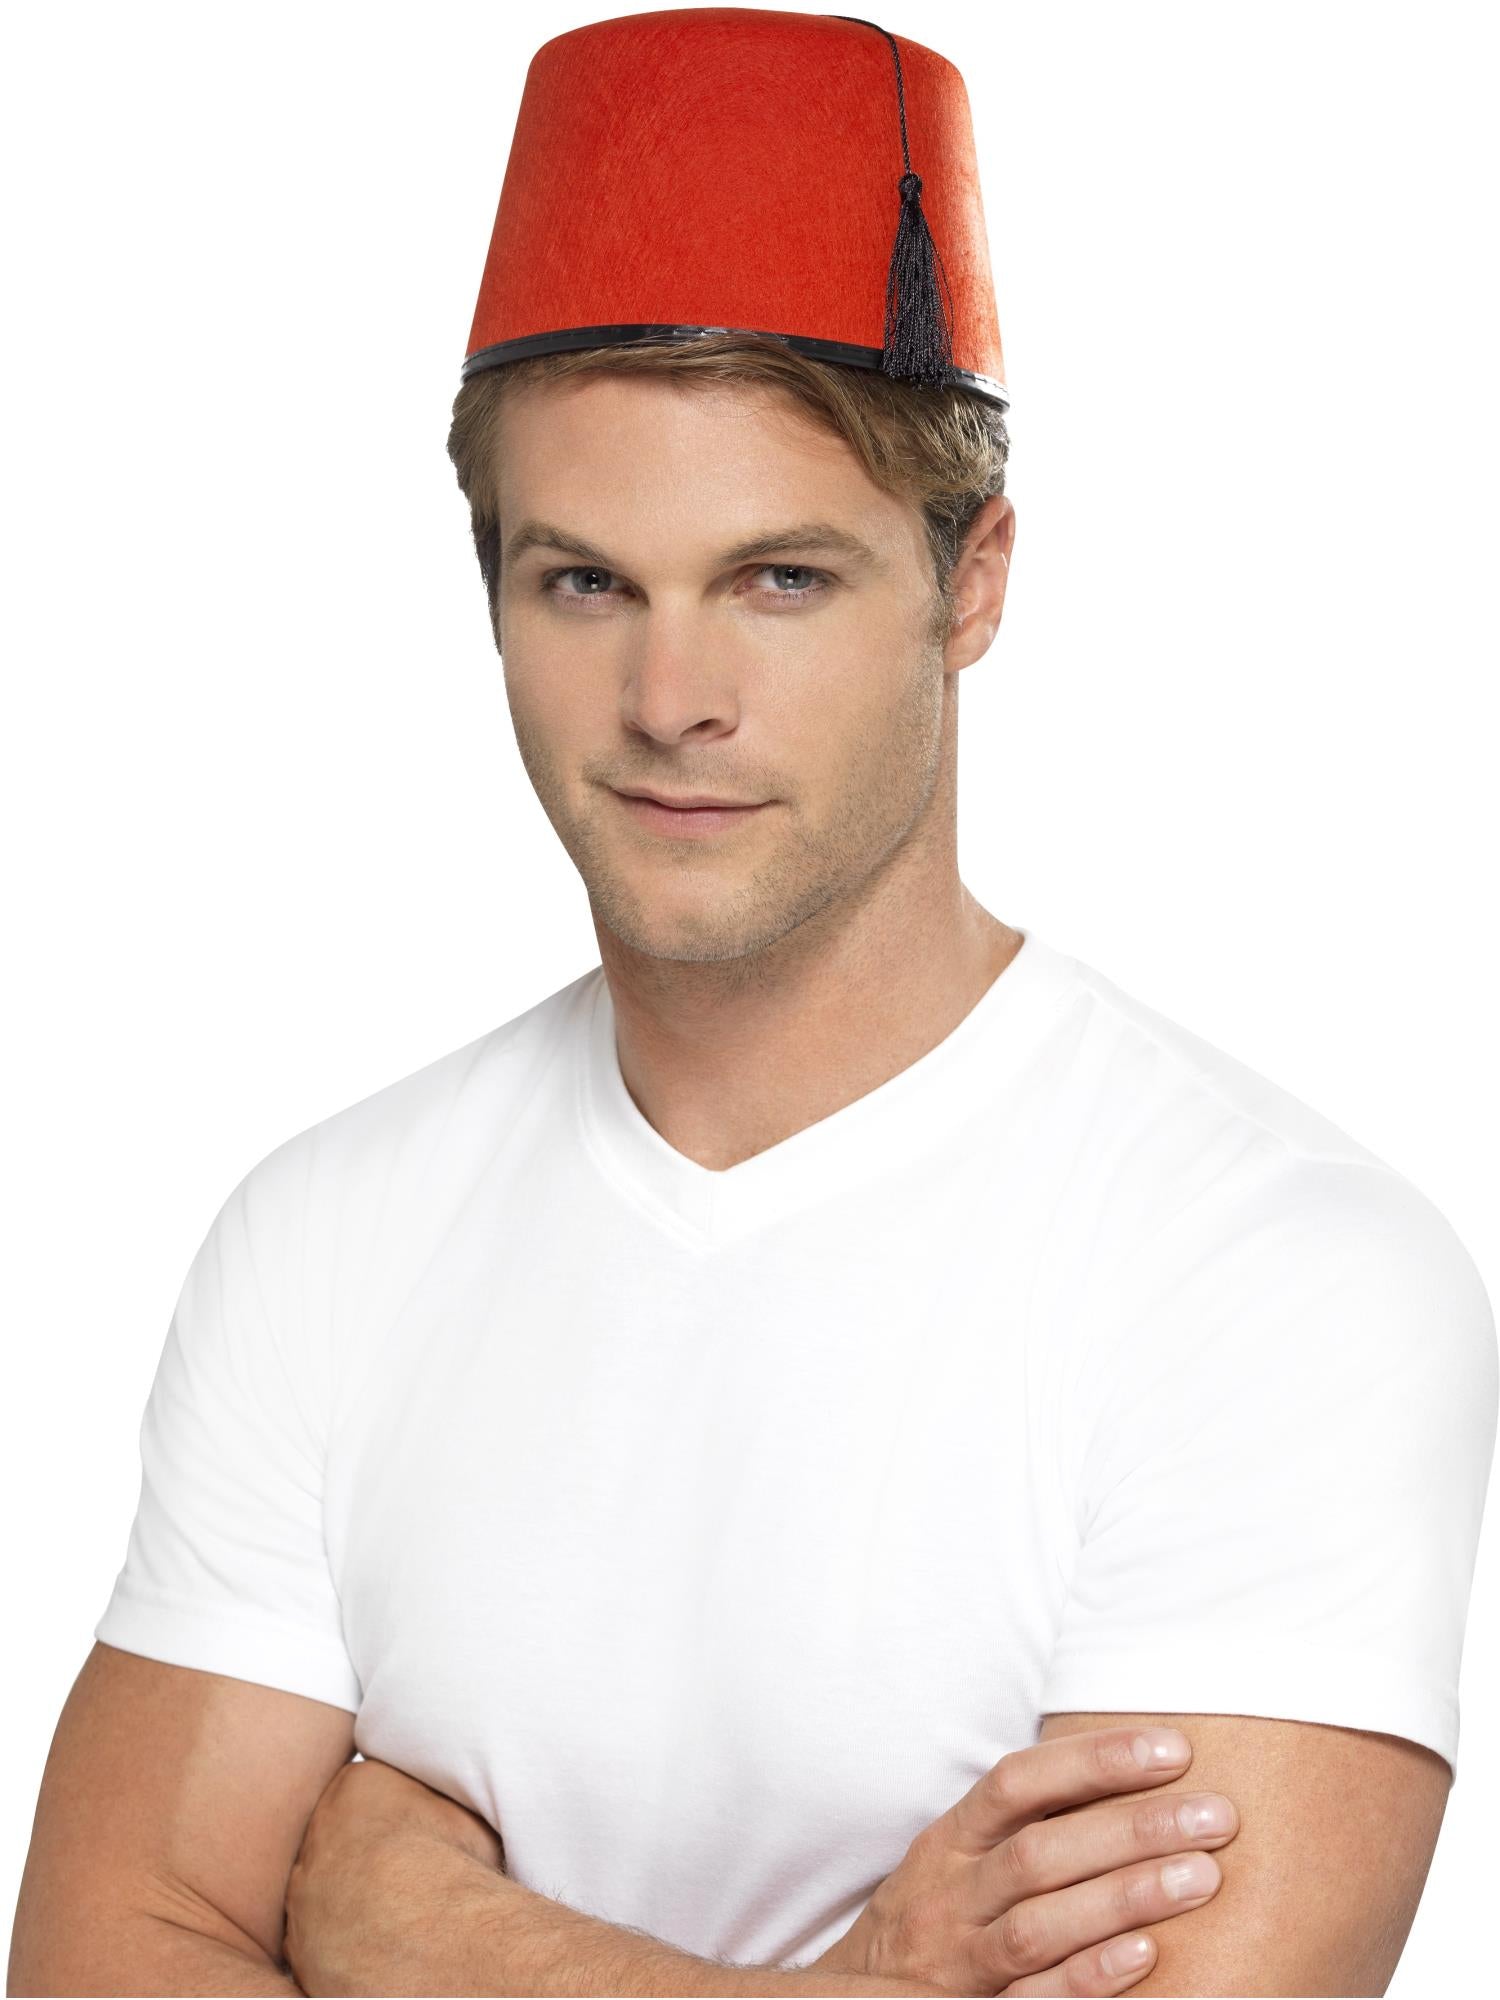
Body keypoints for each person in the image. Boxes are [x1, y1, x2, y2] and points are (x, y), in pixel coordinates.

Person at [10, 9, 1496, 1998]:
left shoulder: (1274, 1273)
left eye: (780, 580)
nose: (669, 699)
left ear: (973, 583)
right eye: (583, 583)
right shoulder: (325, 1237)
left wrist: (414, 1926)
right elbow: (103, 1957)